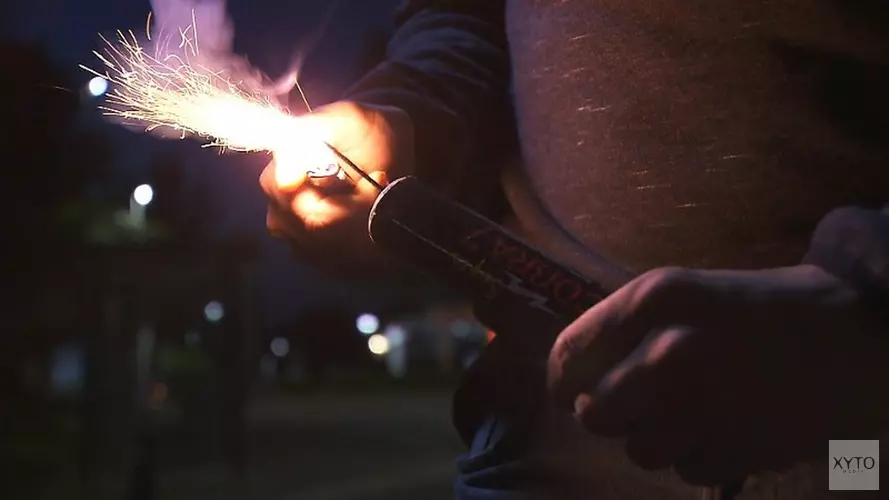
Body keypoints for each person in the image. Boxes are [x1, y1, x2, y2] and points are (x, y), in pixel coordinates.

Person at [261, 1, 889, 499]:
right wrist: (411, 116)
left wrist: (866, 298)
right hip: (547, 444)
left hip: (850, 433)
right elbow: (461, 14)